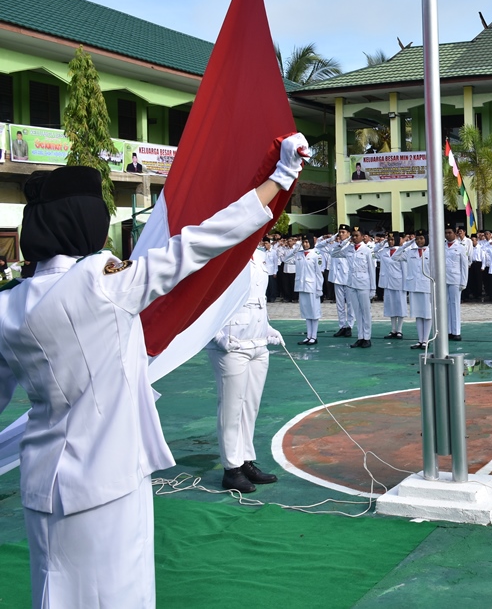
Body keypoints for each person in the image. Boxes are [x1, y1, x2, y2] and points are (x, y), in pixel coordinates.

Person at [0, 133, 308, 607]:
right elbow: (198, 244)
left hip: (43, 482)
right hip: (107, 480)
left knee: (52, 589)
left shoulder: (8, 306)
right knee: (118, 595)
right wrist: (280, 178)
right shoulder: (100, 285)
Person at [207, 247, 283, 493]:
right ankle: (231, 468)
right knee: (231, 408)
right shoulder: (223, 251)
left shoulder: (259, 255)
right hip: (231, 342)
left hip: (257, 342)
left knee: (250, 406)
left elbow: (258, 300)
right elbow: (206, 297)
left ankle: (245, 460)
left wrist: (267, 328)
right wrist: (217, 336)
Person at [328, 226, 376, 348]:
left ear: (363, 236)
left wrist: (372, 288)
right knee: (357, 312)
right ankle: (360, 337)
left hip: (364, 284)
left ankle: (367, 337)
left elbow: (371, 270)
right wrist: (343, 242)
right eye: (353, 236)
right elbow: (334, 254)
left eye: (356, 235)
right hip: (351, 284)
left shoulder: (366, 250)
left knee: (365, 312)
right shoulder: (349, 248)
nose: (354, 238)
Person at [393, 230, 433, 349]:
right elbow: (395, 256)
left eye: (421, 238)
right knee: (418, 314)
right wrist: (407, 244)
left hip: (426, 286)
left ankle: (426, 340)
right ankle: (420, 340)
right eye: (417, 239)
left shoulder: (432, 252)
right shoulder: (411, 252)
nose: (419, 241)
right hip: (414, 286)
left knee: (427, 314)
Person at [289, 233, 326, 345]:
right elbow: (286, 259)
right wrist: (296, 248)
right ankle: (308, 335)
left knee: (314, 312)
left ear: (311, 242)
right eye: (303, 242)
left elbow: (319, 273)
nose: (305, 244)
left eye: (306, 242)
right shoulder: (299, 254)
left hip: (313, 287)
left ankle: (314, 336)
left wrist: (319, 288)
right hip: (301, 286)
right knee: (306, 312)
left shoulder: (317, 254)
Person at [319, 225, 355, 338]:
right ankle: (342, 326)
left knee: (350, 304)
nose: (341, 234)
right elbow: (318, 246)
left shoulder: (352, 245)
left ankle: (350, 326)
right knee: (339, 305)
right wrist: (332, 237)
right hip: (336, 277)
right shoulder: (334, 245)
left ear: (349, 234)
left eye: (343, 232)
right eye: (339, 232)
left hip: (348, 278)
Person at [375, 232, 408, 338]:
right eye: (389, 239)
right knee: (390, 306)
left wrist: (406, 285)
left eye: (392, 239)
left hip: (399, 282)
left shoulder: (402, 251)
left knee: (400, 306)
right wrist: (381, 243)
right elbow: (373, 253)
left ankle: (400, 329)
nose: (390, 241)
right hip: (387, 282)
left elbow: (405, 270)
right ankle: (393, 329)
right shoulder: (384, 251)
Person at [444, 225, 469, 341]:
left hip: (455, 279)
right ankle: (448, 330)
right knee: (446, 305)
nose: (447, 234)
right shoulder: (442, 246)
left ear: (455, 233)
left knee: (455, 305)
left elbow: (464, 266)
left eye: (450, 232)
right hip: (443, 279)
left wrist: (463, 282)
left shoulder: (461, 247)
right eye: (446, 232)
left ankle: (456, 331)